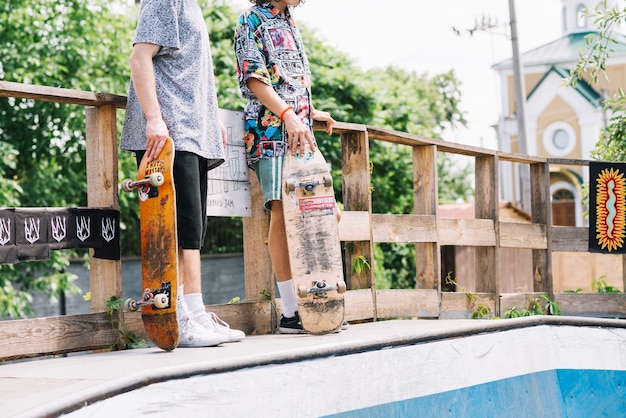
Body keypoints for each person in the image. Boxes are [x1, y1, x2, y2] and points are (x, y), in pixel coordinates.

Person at [121, 0, 245, 347]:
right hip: (170, 131)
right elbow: (140, 58)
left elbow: (188, 69)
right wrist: (153, 118)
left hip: (192, 130)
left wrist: (211, 118)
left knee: (192, 229)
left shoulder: (190, 5)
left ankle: (196, 312)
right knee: (174, 229)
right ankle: (178, 317)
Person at [235, 0, 341, 333]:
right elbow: (254, 78)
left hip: (300, 129)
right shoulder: (249, 20)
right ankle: (292, 312)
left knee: (325, 211)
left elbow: (288, 81)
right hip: (271, 131)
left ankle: (319, 300)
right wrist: (288, 115)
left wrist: (310, 112)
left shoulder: (288, 19)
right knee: (283, 213)